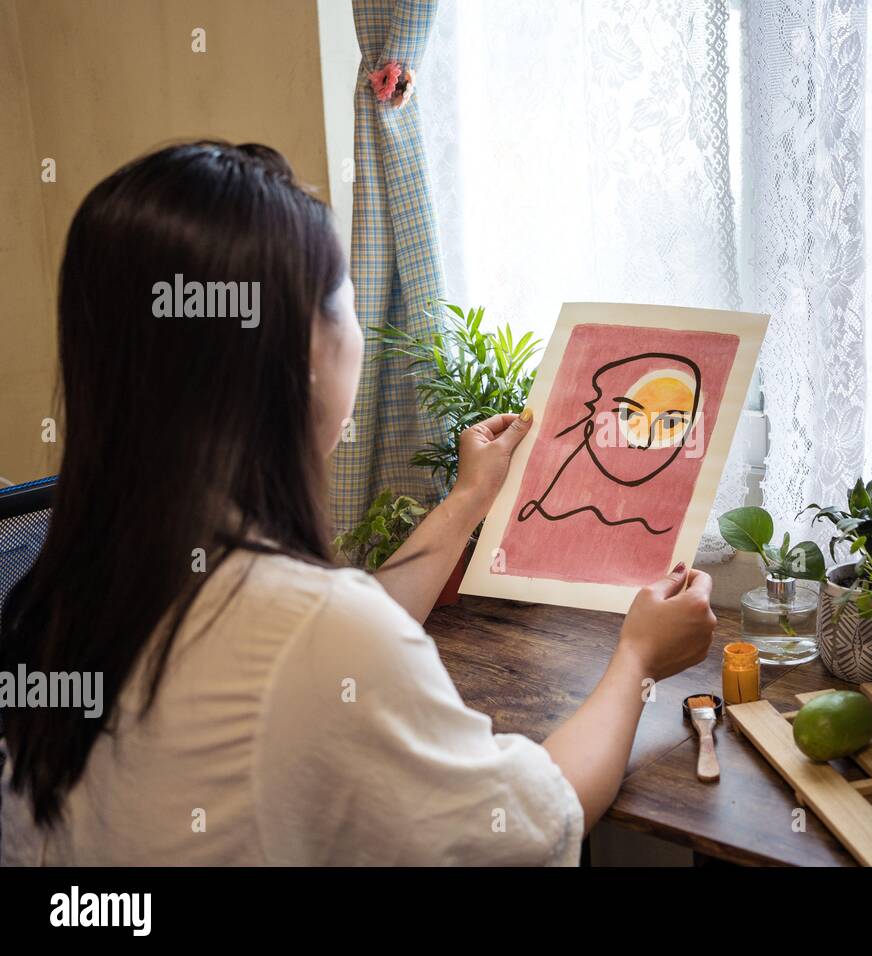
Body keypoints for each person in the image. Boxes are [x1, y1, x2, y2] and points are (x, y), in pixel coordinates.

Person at [0, 142, 715, 866]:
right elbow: (538, 825)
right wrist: (637, 660)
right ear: (297, 352)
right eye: (344, 299)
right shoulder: (311, 632)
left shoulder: (63, 588)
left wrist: (469, 498)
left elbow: (327, 641)